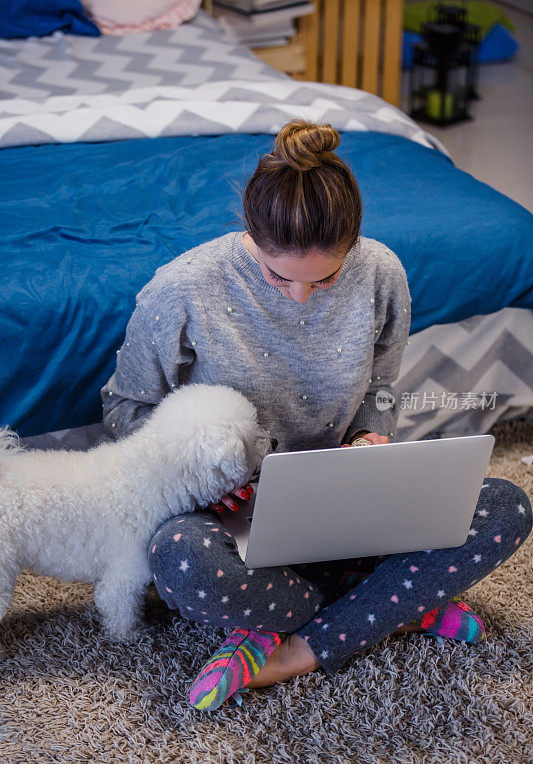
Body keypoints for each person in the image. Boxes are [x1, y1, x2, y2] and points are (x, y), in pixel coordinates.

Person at [100, 119, 532, 712]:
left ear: (352, 244)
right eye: (280, 276)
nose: (302, 296)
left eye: (326, 277)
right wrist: (197, 475)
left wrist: (372, 437)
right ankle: (393, 605)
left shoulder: (381, 273)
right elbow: (125, 406)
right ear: (252, 234)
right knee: (179, 557)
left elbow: (379, 389)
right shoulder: (182, 289)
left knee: (507, 506)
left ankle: (293, 648)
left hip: (348, 502)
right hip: (236, 515)